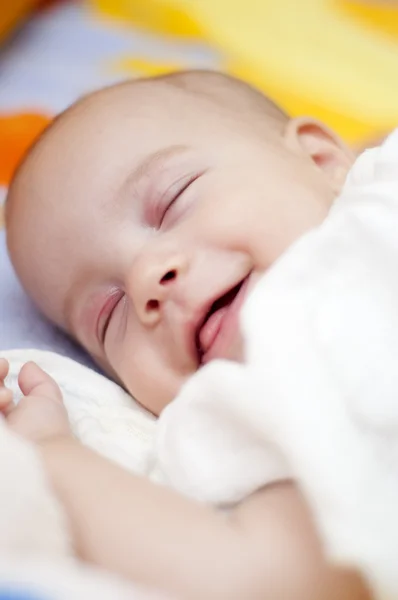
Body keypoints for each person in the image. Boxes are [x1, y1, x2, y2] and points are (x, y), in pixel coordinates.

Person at [1, 70, 369, 599]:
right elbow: (270, 582)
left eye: (173, 201)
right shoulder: (273, 398)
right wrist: (47, 452)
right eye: (109, 315)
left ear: (322, 159)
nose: (145, 278)